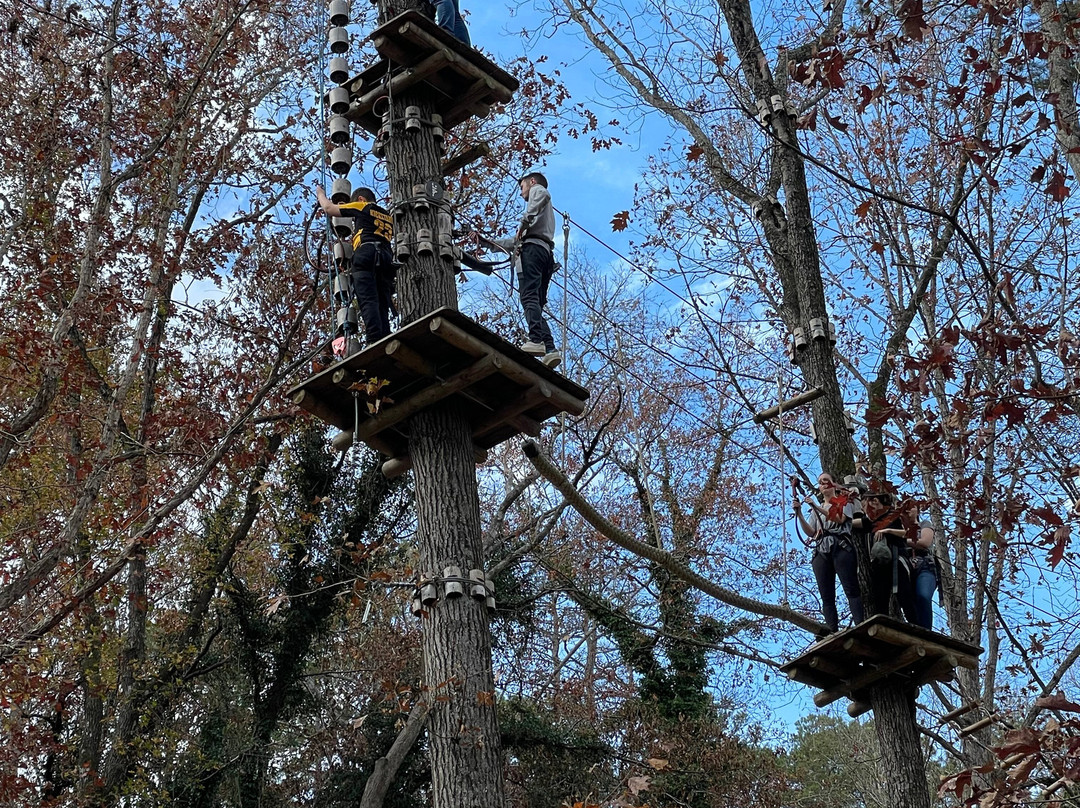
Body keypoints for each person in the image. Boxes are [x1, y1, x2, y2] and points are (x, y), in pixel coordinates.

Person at [475, 172, 561, 369]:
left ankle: (536, 340)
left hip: (533, 252)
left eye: (522, 187)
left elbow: (543, 194)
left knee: (528, 297)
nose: (521, 193)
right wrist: (486, 243)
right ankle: (550, 349)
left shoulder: (538, 192)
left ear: (531, 182)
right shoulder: (540, 218)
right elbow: (513, 243)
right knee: (535, 303)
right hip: (544, 254)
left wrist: (523, 222)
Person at [316, 185, 396, 347]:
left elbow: (329, 208)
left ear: (360, 199)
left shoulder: (363, 206)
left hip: (367, 252)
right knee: (382, 301)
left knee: (368, 299)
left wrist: (320, 194)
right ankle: (385, 336)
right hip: (387, 259)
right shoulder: (387, 215)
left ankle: (374, 339)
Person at [796, 472, 864, 632]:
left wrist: (816, 506)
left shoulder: (843, 501)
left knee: (851, 589)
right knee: (827, 595)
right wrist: (799, 514)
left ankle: (860, 625)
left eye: (827, 481)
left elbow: (839, 518)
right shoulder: (816, 511)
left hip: (840, 547)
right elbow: (811, 532)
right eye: (820, 482)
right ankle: (832, 630)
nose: (823, 484)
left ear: (834, 484)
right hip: (821, 549)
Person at [862, 492, 917, 624]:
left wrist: (887, 531)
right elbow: (849, 522)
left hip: (897, 559)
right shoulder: (871, 522)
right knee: (880, 596)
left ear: (874, 501)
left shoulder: (894, 516)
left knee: (904, 595)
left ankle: (916, 626)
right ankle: (883, 626)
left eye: (864, 505)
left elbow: (908, 532)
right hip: (879, 564)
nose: (864, 510)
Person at [906, 504, 938, 630]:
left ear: (917, 510)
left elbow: (925, 542)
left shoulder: (924, 524)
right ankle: (916, 630)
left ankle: (926, 631)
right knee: (910, 604)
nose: (908, 509)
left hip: (925, 566)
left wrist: (902, 540)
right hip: (906, 568)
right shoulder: (898, 527)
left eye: (911, 506)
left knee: (923, 596)